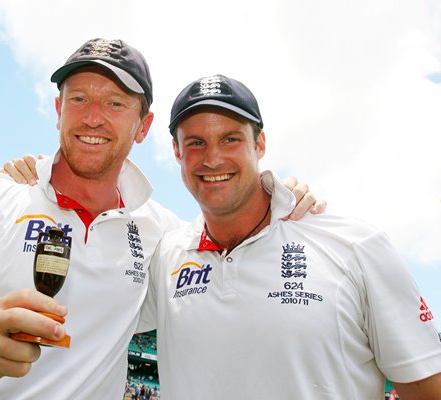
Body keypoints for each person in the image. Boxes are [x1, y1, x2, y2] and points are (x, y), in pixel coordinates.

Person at [0, 39, 320, 399]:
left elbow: (233, 245)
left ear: (143, 126)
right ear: (57, 109)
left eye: (115, 104)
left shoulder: (163, 234)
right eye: (79, 99)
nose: (93, 118)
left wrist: (280, 198)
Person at [135, 74, 441, 399]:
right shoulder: (167, 255)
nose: (212, 158)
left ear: (260, 144)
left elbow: (427, 390)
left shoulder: (356, 246)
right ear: (177, 152)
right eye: (196, 142)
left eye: (230, 139)